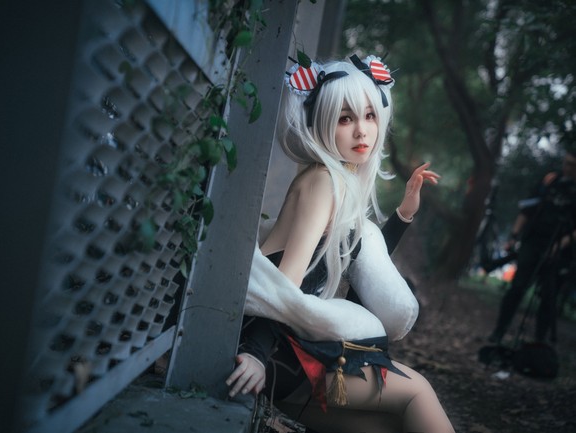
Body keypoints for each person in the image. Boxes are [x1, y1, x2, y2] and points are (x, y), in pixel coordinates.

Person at [226, 54, 455, 433]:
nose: (362, 131)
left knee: (387, 429)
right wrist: (255, 353)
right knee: (418, 393)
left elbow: (358, 264)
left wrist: (403, 215)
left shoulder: (336, 181)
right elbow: (283, 286)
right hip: (277, 353)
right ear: (322, 123)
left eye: (369, 116)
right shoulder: (324, 182)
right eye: (345, 119)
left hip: (289, 354)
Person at [489, 147, 576, 344]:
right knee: (517, 288)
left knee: (548, 297)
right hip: (533, 242)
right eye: (566, 163)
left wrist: (560, 245)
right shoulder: (550, 181)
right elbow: (527, 210)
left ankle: (539, 342)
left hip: (559, 251)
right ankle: (499, 332)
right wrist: (514, 236)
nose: (567, 168)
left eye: (573, 165)